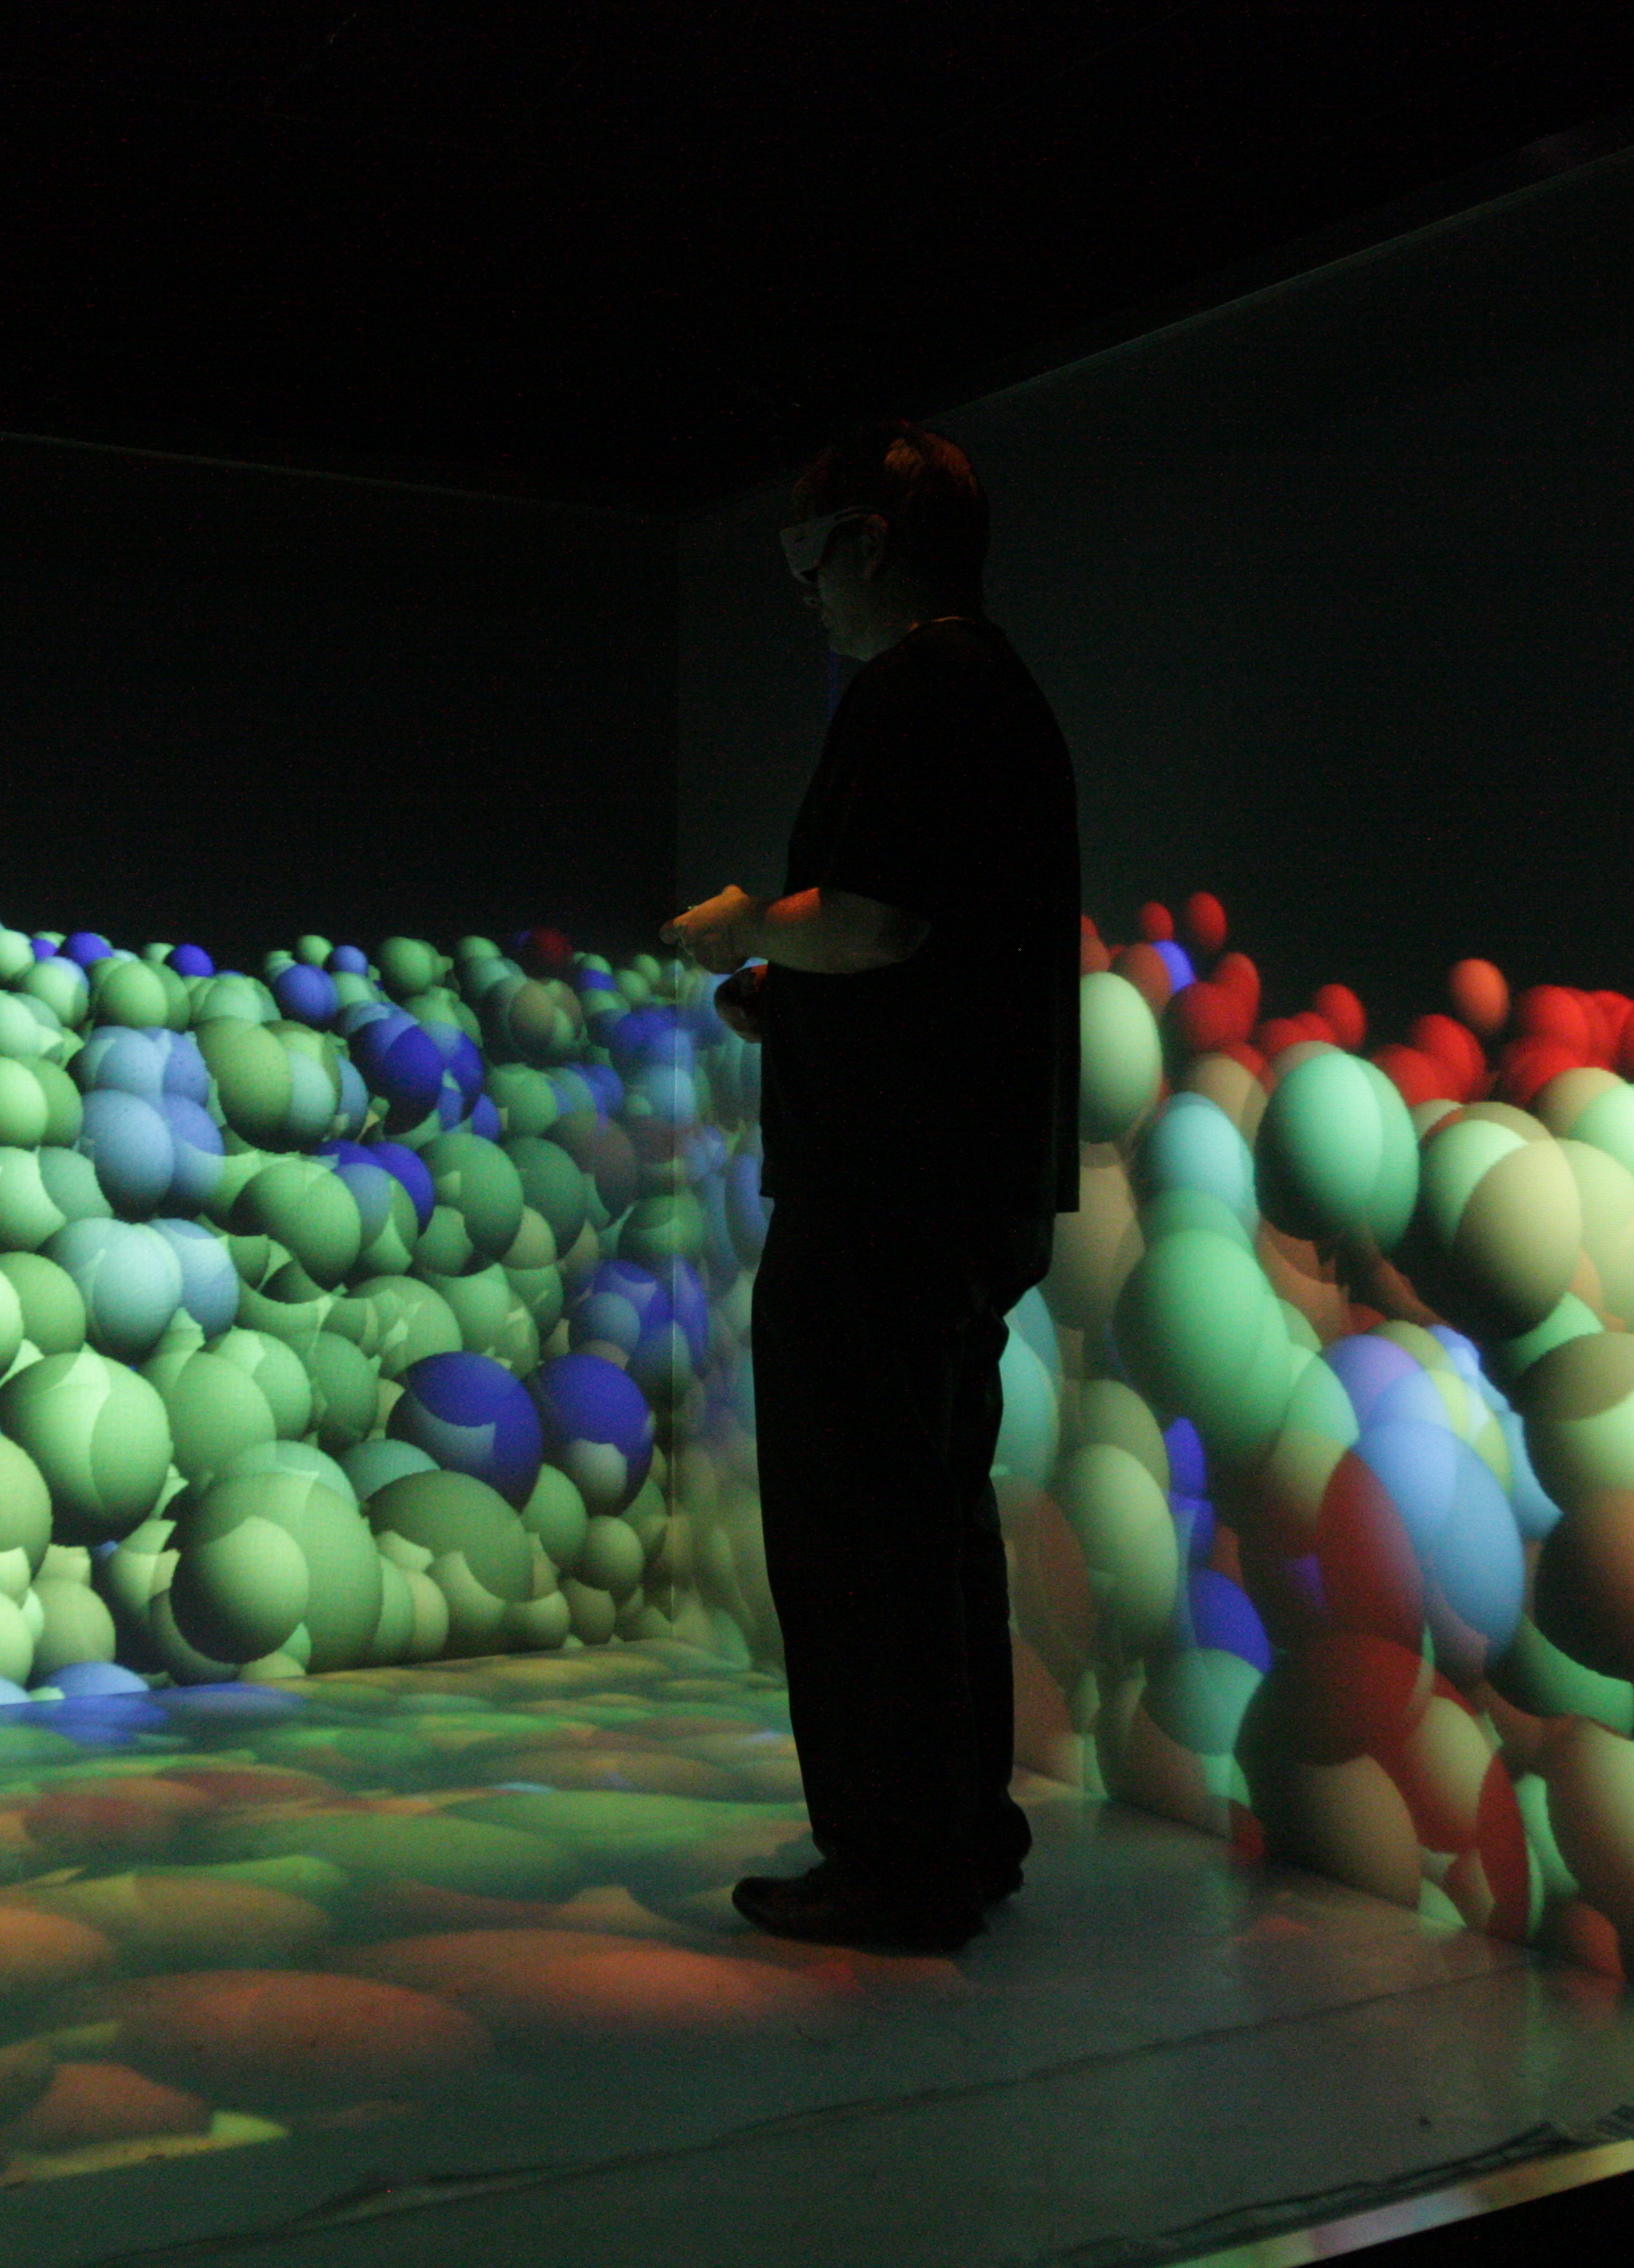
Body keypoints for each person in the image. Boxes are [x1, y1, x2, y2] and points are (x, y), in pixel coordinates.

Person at [659, 420, 1081, 1955]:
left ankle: (894, 1866)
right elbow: (934, 945)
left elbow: (882, 920)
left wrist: (745, 934)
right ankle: (960, 1833)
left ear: (876, 545)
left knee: (856, 1534)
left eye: (810, 555)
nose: (801, 589)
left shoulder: (917, 688)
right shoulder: (1000, 692)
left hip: (884, 1191)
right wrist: (798, 988)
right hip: (970, 1184)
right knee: (932, 1518)